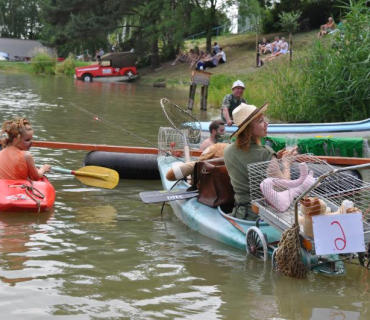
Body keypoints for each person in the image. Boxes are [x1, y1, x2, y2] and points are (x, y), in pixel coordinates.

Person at [224, 103, 298, 220]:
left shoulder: (228, 151)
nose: (266, 124)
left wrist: (275, 159)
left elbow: (251, 165)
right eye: (261, 121)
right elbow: (284, 190)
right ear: (248, 128)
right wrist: (286, 164)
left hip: (241, 213)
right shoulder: (265, 153)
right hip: (265, 216)